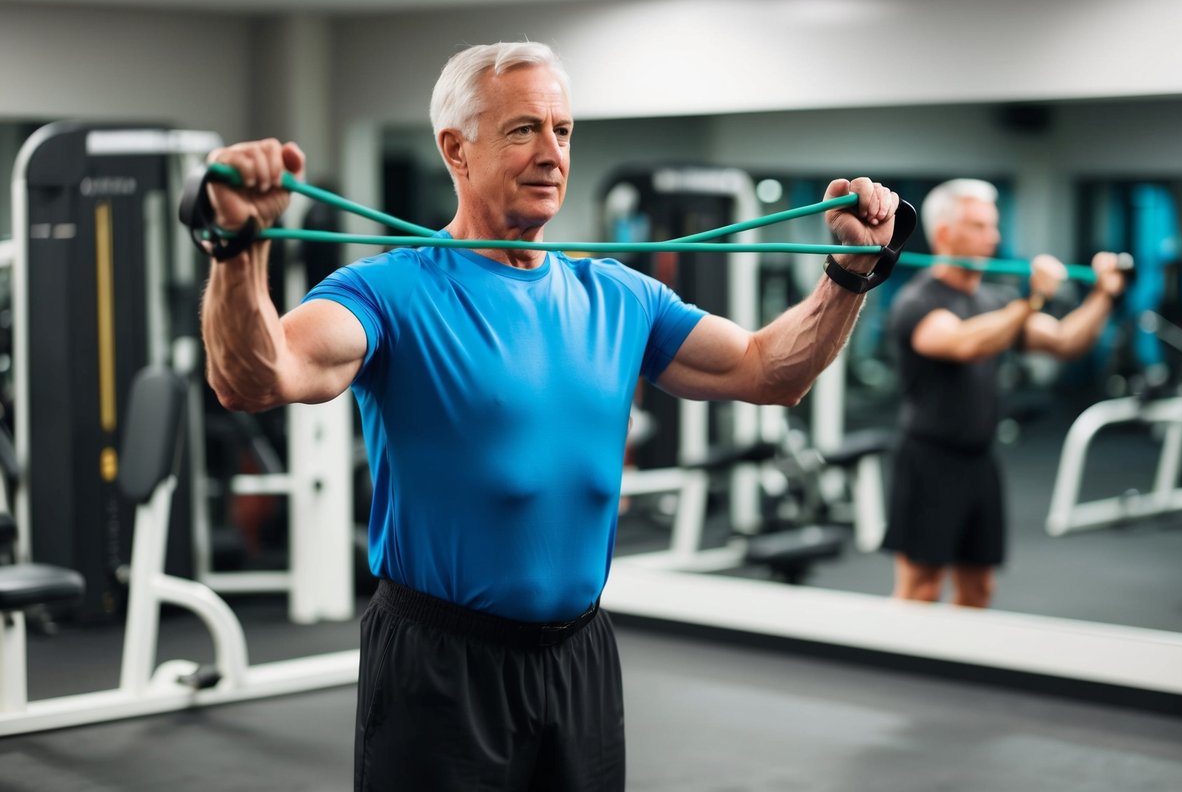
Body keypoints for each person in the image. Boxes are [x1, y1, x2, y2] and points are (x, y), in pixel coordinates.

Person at [199, 41, 901, 792]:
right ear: (455, 151)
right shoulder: (388, 293)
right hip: (442, 662)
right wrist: (237, 249)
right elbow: (259, 377)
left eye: (562, 131)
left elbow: (768, 372)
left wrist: (850, 275)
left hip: (579, 657)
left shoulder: (619, 297)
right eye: (522, 130)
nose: (550, 154)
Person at [881, 178, 1125, 609]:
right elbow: (965, 343)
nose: (991, 237)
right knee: (920, 589)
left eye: (992, 226)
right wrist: (1031, 301)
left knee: (979, 590)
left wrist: (1104, 294)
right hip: (930, 461)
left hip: (981, 461)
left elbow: (1067, 341)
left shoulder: (995, 300)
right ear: (943, 234)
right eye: (977, 226)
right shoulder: (916, 300)